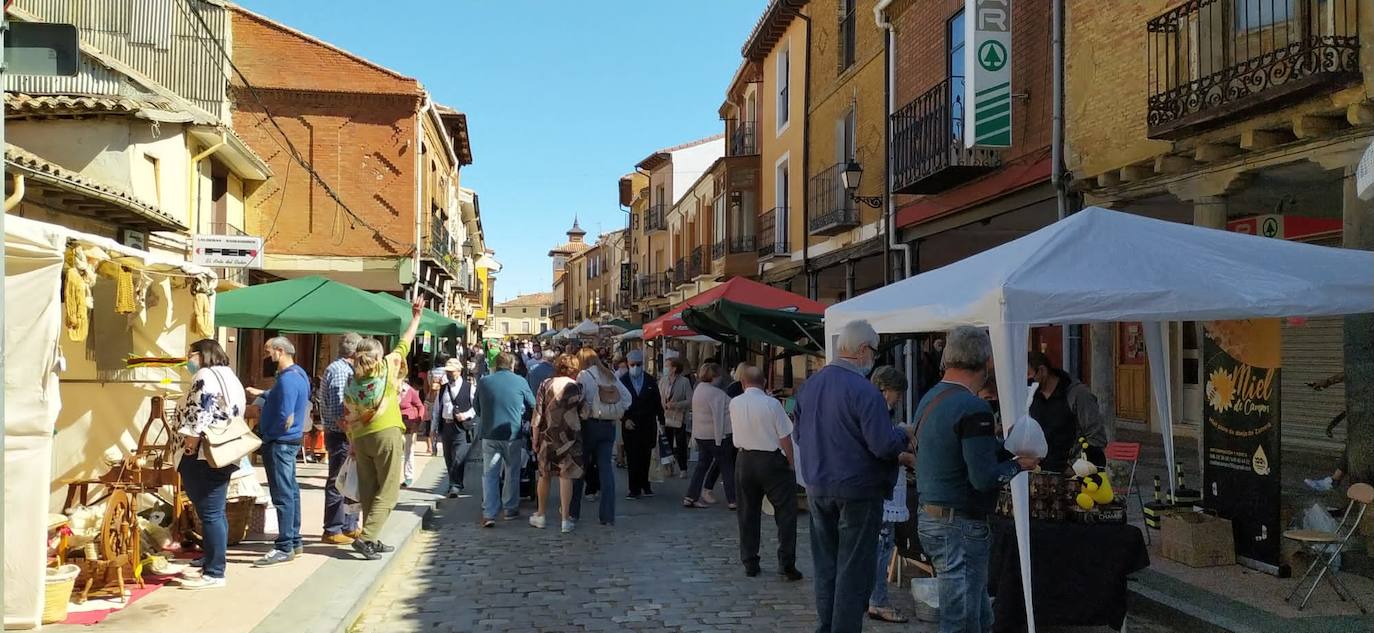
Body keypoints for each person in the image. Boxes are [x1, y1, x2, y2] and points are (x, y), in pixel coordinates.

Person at [918, 326, 1039, 633]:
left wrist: (999, 444)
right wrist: (1019, 464)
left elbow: (957, 451)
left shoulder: (931, 397)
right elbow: (984, 478)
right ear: (986, 362)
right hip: (960, 523)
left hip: (931, 515)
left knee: (977, 613)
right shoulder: (974, 407)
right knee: (965, 617)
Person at [793, 320, 912, 633]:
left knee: (827, 566)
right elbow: (883, 445)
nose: (873, 358)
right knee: (853, 570)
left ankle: (827, 626)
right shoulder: (864, 390)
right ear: (862, 351)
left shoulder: (810, 386)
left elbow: (799, 433)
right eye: (873, 351)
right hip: (858, 489)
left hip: (819, 485)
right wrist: (903, 437)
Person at [341, 298, 424, 560]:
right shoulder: (386, 367)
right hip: (386, 432)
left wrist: (352, 441)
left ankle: (372, 536)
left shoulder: (352, 381)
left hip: (361, 438)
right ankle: (366, 538)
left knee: (369, 488)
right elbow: (405, 342)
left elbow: (348, 415)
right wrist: (416, 317)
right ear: (377, 354)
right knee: (389, 490)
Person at [175, 339, 246, 589]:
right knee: (216, 511)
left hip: (205, 453)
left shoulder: (205, 374)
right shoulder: (230, 375)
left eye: (190, 354)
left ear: (201, 354)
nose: (188, 360)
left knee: (210, 512)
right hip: (226, 450)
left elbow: (199, 413)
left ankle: (215, 572)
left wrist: (189, 447)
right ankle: (213, 559)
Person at [730, 366, 801, 581]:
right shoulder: (772, 404)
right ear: (764, 383)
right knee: (786, 513)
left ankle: (750, 561)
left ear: (743, 383)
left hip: (744, 459)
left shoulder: (734, 403)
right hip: (771, 461)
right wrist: (791, 462)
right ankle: (786, 563)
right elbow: (785, 437)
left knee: (747, 513)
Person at [247, 336, 311, 567]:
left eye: (269, 351)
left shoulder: (287, 380)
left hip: (280, 442)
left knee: (282, 494)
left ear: (280, 351)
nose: (267, 355)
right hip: (290, 441)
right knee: (291, 491)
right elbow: (281, 397)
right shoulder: (298, 375)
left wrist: (267, 433)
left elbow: (285, 413)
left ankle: (284, 546)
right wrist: (263, 393)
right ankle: (294, 540)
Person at [868, 366, 915, 624]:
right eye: (897, 393)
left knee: (878, 546)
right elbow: (881, 448)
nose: (898, 399)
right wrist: (905, 447)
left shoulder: (873, 409)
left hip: (878, 487)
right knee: (882, 546)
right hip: (881, 489)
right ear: (886, 390)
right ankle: (878, 599)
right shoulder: (877, 412)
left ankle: (873, 596)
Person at [475, 352, 537, 528]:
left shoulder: (485, 381)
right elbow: (533, 405)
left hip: (489, 433)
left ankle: (489, 513)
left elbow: (476, 407)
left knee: (490, 474)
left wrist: (487, 417)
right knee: (511, 471)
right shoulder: (520, 381)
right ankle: (510, 508)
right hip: (512, 433)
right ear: (512, 365)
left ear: (495, 365)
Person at [529, 354, 589, 533]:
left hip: (547, 436)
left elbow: (537, 414)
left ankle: (540, 515)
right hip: (570, 437)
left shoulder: (545, 384)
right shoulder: (577, 387)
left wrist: (534, 438)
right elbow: (584, 413)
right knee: (566, 476)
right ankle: (565, 519)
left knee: (544, 475)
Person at [570, 348, 631, 524]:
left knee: (580, 468)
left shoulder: (583, 375)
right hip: (608, 426)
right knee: (606, 470)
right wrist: (613, 411)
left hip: (589, 425)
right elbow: (627, 399)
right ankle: (607, 516)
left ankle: (573, 512)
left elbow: (579, 399)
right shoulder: (609, 374)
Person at [1027, 351, 1107, 472]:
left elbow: (1096, 436)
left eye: (1028, 375)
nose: (1026, 381)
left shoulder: (1078, 395)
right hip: (1040, 472)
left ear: (1042, 371)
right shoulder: (1031, 397)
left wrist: (1075, 467)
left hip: (1072, 473)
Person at [319, 334, 362, 545]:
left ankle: (349, 524)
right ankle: (332, 528)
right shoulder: (339, 371)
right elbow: (338, 408)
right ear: (354, 351)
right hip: (340, 435)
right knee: (338, 480)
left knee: (350, 480)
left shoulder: (346, 369)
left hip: (346, 434)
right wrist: (350, 434)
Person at [684, 362, 736, 509]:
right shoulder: (717, 393)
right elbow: (729, 408)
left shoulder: (699, 389)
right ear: (714, 376)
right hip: (717, 436)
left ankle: (690, 496)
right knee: (727, 467)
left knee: (701, 466)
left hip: (701, 435)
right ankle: (733, 499)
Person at [620, 349, 665, 499]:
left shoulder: (650, 380)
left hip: (647, 424)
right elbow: (618, 403)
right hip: (630, 424)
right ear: (628, 364)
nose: (635, 367)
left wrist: (662, 421)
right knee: (633, 457)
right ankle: (634, 489)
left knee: (646, 456)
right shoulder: (622, 381)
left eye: (638, 364)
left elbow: (657, 402)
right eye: (633, 364)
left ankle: (646, 485)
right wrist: (624, 419)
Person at [433, 359, 477, 497]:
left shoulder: (469, 387)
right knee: (448, 456)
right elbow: (437, 408)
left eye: (451, 372)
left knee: (459, 456)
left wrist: (466, 415)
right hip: (446, 425)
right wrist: (433, 428)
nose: (449, 374)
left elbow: (476, 406)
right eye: (447, 372)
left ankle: (455, 485)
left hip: (461, 426)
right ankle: (454, 482)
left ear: (459, 371)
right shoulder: (443, 389)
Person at [660, 358, 693, 477]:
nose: (665, 368)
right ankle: (668, 467)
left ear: (674, 368)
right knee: (666, 443)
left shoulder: (684, 381)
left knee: (680, 443)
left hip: (679, 416)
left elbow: (690, 400)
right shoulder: (663, 380)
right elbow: (659, 397)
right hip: (665, 415)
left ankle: (683, 468)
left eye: (667, 366)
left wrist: (676, 405)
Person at [399, 377, 426, 488]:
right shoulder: (390, 390)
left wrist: (418, 420)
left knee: (408, 451)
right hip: (395, 425)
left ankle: (408, 477)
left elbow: (420, 406)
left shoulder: (410, 391)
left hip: (408, 425)